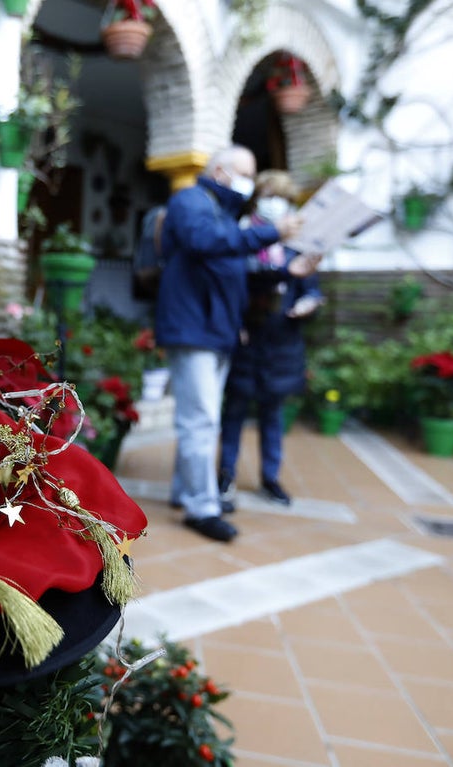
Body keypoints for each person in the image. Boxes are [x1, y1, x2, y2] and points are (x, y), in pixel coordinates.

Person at [154, 145, 314, 543]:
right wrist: (272, 232)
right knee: (201, 419)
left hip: (216, 333)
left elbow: (236, 273)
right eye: (245, 173)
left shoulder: (226, 216)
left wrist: (284, 270)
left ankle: (184, 490)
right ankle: (201, 507)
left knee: (201, 416)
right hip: (193, 330)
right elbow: (203, 241)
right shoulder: (190, 200)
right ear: (221, 172)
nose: (249, 183)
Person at [219, 171, 324, 509]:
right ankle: (225, 475)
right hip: (247, 338)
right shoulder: (242, 237)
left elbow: (311, 290)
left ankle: (270, 477)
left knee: (273, 415)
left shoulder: (300, 247)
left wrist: (308, 305)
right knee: (234, 412)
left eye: (283, 198)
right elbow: (233, 286)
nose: (276, 203)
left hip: (282, 342)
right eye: (270, 194)